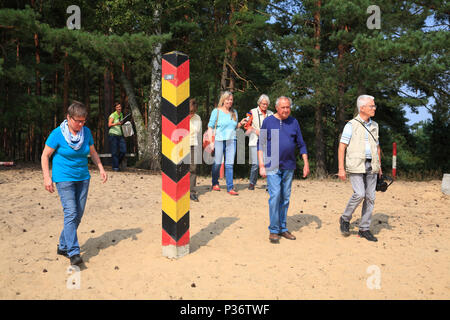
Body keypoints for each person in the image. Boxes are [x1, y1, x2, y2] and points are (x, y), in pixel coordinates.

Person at [41, 101, 107, 266]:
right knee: (71, 212)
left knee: (77, 214)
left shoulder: (86, 133)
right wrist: (46, 177)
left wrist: (101, 168)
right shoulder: (57, 134)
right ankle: (73, 252)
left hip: (83, 178)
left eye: (83, 121)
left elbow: (92, 152)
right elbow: (45, 155)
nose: (80, 124)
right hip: (63, 178)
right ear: (68, 118)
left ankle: (63, 246)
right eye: (77, 120)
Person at [258, 96, 309, 243]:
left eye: (288, 107)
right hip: (272, 164)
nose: (286, 110)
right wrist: (261, 165)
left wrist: (305, 163)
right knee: (275, 196)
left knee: (285, 198)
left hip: (289, 165)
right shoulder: (268, 121)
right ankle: (273, 230)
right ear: (277, 107)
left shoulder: (294, 122)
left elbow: (301, 144)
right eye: (283, 107)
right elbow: (260, 144)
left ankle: (282, 227)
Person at [338, 94, 382, 242]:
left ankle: (364, 228)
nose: (374, 108)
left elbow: (377, 147)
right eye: (371, 106)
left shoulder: (375, 126)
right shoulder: (351, 125)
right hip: (356, 165)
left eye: (374, 105)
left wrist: (379, 166)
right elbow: (342, 147)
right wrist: (341, 168)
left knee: (370, 198)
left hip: (372, 165)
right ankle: (345, 218)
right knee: (360, 194)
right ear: (362, 108)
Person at [207, 91, 247, 195]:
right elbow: (210, 127)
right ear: (223, 100)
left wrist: (240, 124)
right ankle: (215, 182)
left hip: (231, 140)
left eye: (231, 99)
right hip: (219, 140)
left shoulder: (234, 112)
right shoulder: (217, 111)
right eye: (228, 99)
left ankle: (230, 188)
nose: (230, 101)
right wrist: (211, 142)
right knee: (217, 163)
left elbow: (234, 126)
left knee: (229, 164)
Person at [247, 94, 273, 190]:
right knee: (256, 164)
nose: (265, 106)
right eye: (263, 104)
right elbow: (246, 125)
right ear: (259, 103)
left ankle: (269, 184)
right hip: (254, 141)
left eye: (266, 104)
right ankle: (252, 182)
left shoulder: (271, 114)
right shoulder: (252, 112)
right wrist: (255, 131)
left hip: (268, 142)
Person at [189, 99, 202, 202]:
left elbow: (197, 131)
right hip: (181, 145)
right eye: (190, 112)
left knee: (193, 169)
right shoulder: (180, 117)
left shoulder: (197, 118)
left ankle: (192, 192)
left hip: (193, 144)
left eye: (193, 112)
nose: (191, 114)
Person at [108, 102, 127, 171]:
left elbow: (120, 124)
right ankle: (115, 167)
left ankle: (116, 163)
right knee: (114, 152)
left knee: (123, 151)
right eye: (118, 107)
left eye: (120, 107)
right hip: (113, 135)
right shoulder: (113, 115)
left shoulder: (121, 114)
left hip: (120, 135)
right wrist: (117, 123)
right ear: (115, 108)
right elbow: (109, 125)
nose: (119, 108)